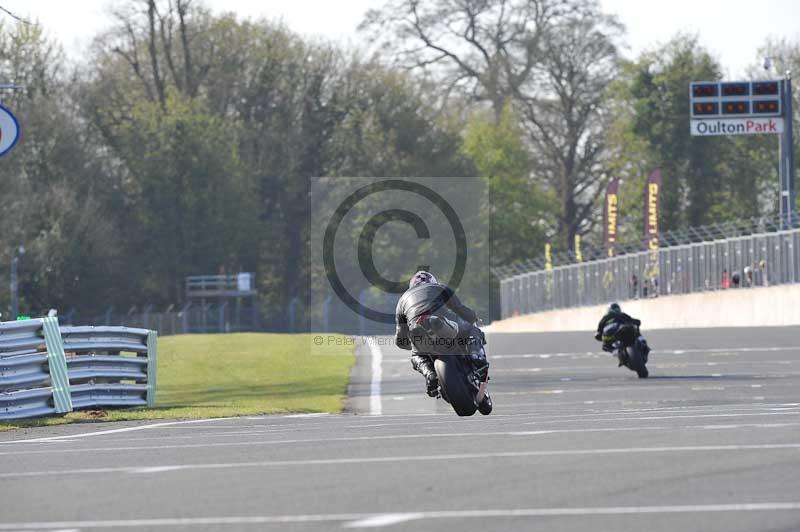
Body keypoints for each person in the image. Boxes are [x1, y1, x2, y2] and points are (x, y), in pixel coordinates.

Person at [395, 270, 491, 413]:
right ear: (432, 282)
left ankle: (431, 376)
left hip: (417, 330)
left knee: (416, 356)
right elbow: (460, 309)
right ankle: (477, 357)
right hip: (441, 320)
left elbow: (400, 338)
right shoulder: (440, 287)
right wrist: (473, 317)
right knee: (472, 330)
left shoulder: (402, 301)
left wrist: (409, 344)